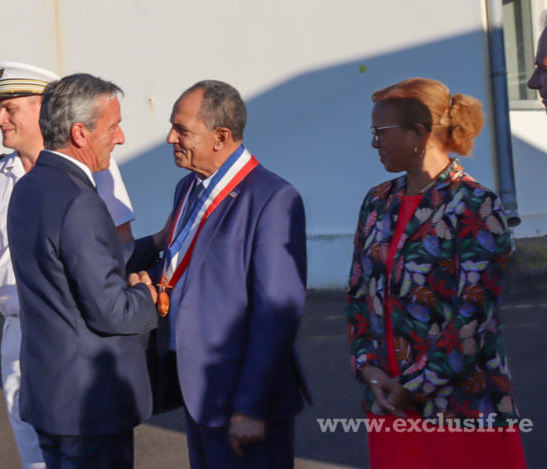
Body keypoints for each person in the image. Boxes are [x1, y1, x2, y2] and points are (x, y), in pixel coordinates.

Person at [0, 61, 140, 469]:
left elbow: (120, 245)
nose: (0, 119)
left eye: (10, 108)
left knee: (85, 448)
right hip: (20, 335)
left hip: (75, 333)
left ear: (42, 107)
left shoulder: (95, 166)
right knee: (36, 456)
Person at [346, 77, 526, 468]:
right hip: (390, 404)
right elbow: (358, 295)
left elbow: (474, 317)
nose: (374, 143)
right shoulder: (377, 202)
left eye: (381, 133)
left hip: (461, 407)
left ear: (420, 133)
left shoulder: (476, 205)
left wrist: (412, 386)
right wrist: (369, 368)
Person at [148, 80, 310, 469]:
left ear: (221, 136)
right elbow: (187, 264)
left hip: (243, 401)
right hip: (199, 392)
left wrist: (250, 406)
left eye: (182, 129)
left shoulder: (272, 198)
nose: (171, 137)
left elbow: (277, 313)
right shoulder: (188, 187)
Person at [7, 73, 159, 469]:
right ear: (80, 133)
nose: (121, 137)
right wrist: (149, 296)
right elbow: (112, 310)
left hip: (52, 396)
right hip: (91, 405)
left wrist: (154, 244)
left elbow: (66, 265)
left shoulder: (29, 187)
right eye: (113, 127)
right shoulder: (80, 200)